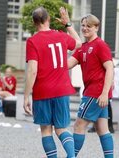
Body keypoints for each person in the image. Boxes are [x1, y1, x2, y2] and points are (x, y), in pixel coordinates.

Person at [23, 7, 81, 158]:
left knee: (46, 130)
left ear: (33, 22)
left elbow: (32, 71)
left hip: (42, 91)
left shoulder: (32, 41)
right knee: (61, 129)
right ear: (48, 19)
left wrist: (26, 96)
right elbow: (79, 43)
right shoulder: (61, 36)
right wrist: (67, 24)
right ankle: (71, 155)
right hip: (62, 90)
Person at [68, 14, 114, 158]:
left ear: (96, 28)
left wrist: (105, 93)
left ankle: (71, 156)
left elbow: (110, 68)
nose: (85, 28)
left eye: (89, 26)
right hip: (95, 93)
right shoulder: (83, 47)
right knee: (102, 129)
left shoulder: (100, 45)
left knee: (78, 125)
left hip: (96, 93)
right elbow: (67, 65)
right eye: (83, 25)